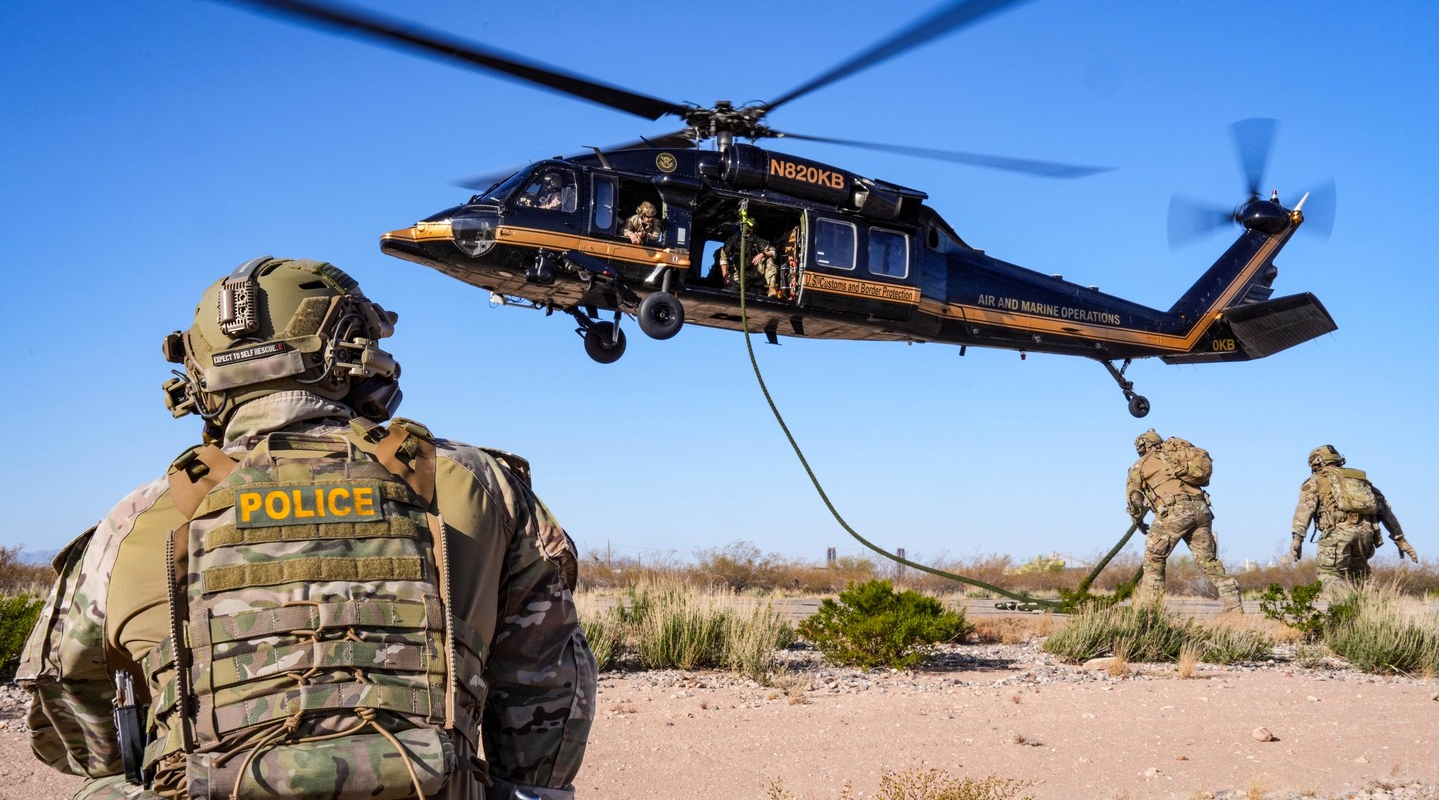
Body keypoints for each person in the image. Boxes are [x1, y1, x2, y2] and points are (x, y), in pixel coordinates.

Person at [17, 257, 595, 800]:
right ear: (351, 352)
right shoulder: (473, 484)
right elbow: (547, 673)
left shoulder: (137, 520)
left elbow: (66, 700)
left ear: (201, 376)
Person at [1125, 428, 1242, 612]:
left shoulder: (1139, 465)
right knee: (1209, 561)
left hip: (1174, 512)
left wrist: (1138, 521)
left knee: (1154, 558)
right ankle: (1234, 607)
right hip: (1201, 510)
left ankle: (1149, 611)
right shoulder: (1177, 456)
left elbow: (1134, 499)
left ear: (1144, 446)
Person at [1290, 444, 1418, 590]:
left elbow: (1305, 508)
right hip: (1366, 535)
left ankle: (1344, 609)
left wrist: (1297, 538)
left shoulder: (1316, 480)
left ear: (1316, 462)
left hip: (1337, 534)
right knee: (1360, 578)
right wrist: (1400, 539)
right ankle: (1372, 609)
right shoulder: (1360, 481)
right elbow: (1385, 510)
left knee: (1329, 575)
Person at [716, 217, 781, 298]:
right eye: (748, 229)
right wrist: (725, 275)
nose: (750, 231)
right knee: (729, 294)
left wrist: (762, 254)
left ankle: (772, 288)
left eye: (751, 229)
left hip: (756, 271)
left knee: (769, 259)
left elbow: (773, 252)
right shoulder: (733, 239)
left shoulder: (757, 240)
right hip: (740, 273)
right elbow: (724, 258)